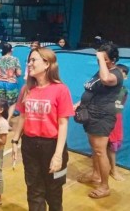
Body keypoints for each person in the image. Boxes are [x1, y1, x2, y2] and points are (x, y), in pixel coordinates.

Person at [12, 47, 74, 211]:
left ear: (47, 63)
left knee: (54, 190)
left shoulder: (61, 89)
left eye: (34, 60)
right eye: (29, 61)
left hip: (52, 145)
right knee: (33, 188)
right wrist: (15, 140)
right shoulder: (26, 89)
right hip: (30, 144)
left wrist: (58, 155)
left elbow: (63, 124)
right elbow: (23, 117)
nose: (29, 64)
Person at [76, 43, 123, 199]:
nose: (99, 60)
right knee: (95, 149)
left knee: (100, 151)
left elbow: (105, 79)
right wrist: (78, 105)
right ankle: (96, 175)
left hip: (102, 117)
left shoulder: (116, 74)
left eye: (104, 58)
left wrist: (101, 58)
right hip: (91, 114)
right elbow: (91, 90)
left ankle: (105, 186)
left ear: (113, 60)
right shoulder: (100, 71)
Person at [108, 64, 128, 181]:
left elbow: (118, 107)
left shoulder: (123, 91)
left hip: (114, 121)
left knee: (111, 147)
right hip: (102, 120)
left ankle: (113, 170)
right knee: (99, 147)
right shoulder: (104, 87)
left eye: (122, 74)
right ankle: (96, 171)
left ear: (125, 77)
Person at [0, 43, 22, 122]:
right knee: (12, 103)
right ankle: (7, 121)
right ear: (11, 50)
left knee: (0, 102)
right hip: (11, 83)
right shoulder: (15, 59)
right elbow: (19, 73)